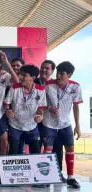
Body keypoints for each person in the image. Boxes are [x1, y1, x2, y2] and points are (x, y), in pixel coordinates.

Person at [42, 61, 82, 189]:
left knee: (70, 148)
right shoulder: (48, 85)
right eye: (57, 73)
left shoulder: (75, 87)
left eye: (62, 74)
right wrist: (49, 108)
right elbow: (42, 102)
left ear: (69, 75)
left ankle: (70, 177)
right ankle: (46, 178)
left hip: (65, 123)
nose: (58, 76)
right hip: (49, 122)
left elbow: (76, 107)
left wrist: (78, 125)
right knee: (48, 149)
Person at [4, 65, 46, 155]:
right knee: (13, 153)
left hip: (32, 126)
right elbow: (7, 104)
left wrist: (41, 116)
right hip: (15, 125)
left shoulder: (41, 90)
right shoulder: (14, 88)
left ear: (33, 78)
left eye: (24, 75)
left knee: (36, 153)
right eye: (20, 75)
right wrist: (7, 111)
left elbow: (40, 108)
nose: (20, 77)